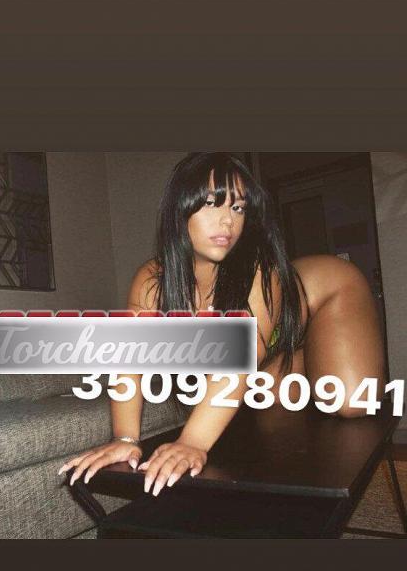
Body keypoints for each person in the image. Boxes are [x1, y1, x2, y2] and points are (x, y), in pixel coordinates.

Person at [58, 152, 386, 497]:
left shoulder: (258, 269)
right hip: (273, 338)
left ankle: (301, 339)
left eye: (238, 208)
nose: (228, 221)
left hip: (328, 292)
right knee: (276, 422)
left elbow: (238, 360)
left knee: (350, 403)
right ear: (180, 210)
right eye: (213, 204)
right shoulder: (152, 281)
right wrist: (124, 439)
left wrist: (192, 442)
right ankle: (289, 346)